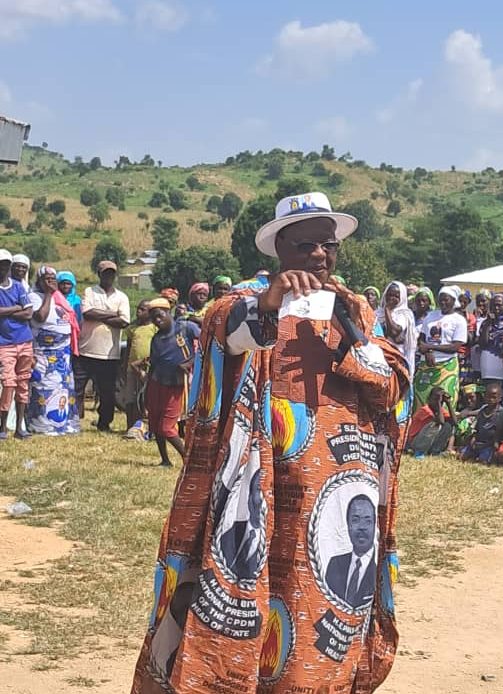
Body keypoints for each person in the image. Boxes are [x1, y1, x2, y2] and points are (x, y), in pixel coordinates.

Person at [132, 191, 408, 694]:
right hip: (262, 489)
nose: (320, 255)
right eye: (306, 245)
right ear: (279, 247)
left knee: (318, 605)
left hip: (337, 493)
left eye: (329, 245)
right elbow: (226, 332)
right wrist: (266, 306)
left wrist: (354, 340)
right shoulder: (245, 301)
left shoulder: (355, 309)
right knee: (254, 596)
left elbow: (392, 387)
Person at [74, 260, 130, 432]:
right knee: (77, 389)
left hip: (109, 353)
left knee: (107, 393)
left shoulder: (122, 297)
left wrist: (100, 315)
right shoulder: (90, 291)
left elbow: (124, 321)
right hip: (86, 350)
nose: (109, 276)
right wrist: (112, 314)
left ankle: (104, 423)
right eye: (105, 273)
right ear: (99, 274)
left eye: (111, 273)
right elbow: (87, 313)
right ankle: (73, 421)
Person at [145, 298, 200, 467]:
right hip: (157, 383)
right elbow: (153, 364)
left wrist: (190, 363)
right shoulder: (156, 339)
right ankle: (165, 460)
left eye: (160, 315)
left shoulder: (186, 328)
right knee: (155, 424)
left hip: (176, 385)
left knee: (166, 427)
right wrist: (146, 388)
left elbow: (206, 345)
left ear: (168, 312)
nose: (157, 320)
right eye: (154, 318)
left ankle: (188, 460)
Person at [27, 265, 80, 436]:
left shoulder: (60, 298)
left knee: (63, 388)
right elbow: (40, 317)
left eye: (53, 279)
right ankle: (42, 425)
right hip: (44, 352)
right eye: (46, 279)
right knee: (44, 387)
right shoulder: (34, 296)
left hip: (62, 353)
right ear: (39, 281)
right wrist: (49, 294)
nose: (51, 282)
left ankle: (63, 424)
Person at [414, 285, 467, 410]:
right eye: (441, 299)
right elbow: (421, 340)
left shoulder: (459, 320)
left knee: (445, 402)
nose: (443, 302)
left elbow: (455, 346)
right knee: (421, 400)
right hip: (427, 363)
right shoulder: (430, 316)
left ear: (454, 300)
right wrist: (428, 352)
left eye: (446, 299)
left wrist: (430, 347)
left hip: (447, 365)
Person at [0, 249, 34, 439]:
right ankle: (3, 427)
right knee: (8, 383)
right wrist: (15, 308)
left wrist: (5, 311)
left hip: (24, 340)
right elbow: (22, 310)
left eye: (6, 264)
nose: (3, 267)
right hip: (4, 343)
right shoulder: (17, 291)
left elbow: (28, 313)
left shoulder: (19, 286)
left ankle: (20, 427)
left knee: (23, 382)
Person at [325, 495, 377, 609]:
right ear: (348, 525)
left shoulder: (380, 567)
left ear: (375, 525)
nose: (362, 527)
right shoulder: (334, 565)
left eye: (368, 521)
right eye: (355, 520)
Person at [122, 299, 156, 437]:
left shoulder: (154, 328)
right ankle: (130, 426)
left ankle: (144, 426)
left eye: (143, 309)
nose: (138, 312)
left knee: (144, 398)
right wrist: (125, 366)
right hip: (132, 368)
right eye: (138, 308)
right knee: (130, 398)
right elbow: (129, 347)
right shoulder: (132, 328)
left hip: (147, 369)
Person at [377, 281, 417, 378]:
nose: (392, 298)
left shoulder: (404, 314)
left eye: (396, 296)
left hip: (397, 357)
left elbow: (394, 332)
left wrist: (387, 310)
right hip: (378, 356)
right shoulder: (378, 313)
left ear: (402, 297)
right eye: (389, 295)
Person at [407, 386, 457, 456]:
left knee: (449, 425)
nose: (437, 402)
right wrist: (438, 402)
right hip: (415, 442)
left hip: (427, 441)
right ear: (429, 399)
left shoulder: (440, 411)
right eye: (435, 399)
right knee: (434, 425)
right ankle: (420, 450)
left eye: (441, 400)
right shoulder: (424, 410)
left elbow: (455, 422)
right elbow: (441, 421)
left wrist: (448, 403)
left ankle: (435, 451)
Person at [460, 381, 502, 463]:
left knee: (482, 461)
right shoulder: (482, 411)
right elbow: (476, 428)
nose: (491, 399)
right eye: (488, 397)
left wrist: (485, 445)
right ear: (484, 397)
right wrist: (474, 439)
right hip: (478, 442)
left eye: (494, 397)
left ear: (500, 398)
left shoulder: (500, 414)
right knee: (461, 456)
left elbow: (498, 436)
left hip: (489, 444)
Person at [478, 293, 503, 388]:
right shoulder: (485, 323)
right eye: (494, 305)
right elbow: (483, 344)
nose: (496, 308)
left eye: (499, 305)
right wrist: (488, 323)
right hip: (488, 362)